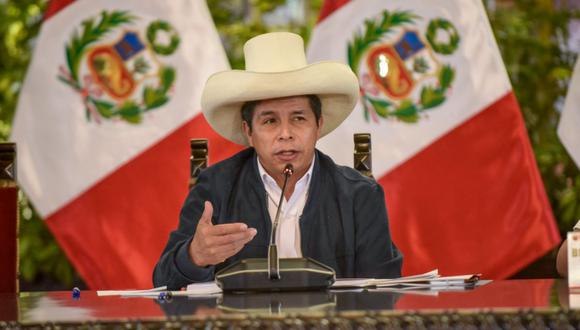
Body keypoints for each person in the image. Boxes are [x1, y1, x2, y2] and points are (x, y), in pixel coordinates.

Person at [153, 32, 403, 289]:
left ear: (318, 125)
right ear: (248, 131)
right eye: (270, 121)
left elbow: (385, 290)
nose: (286, 134)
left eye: (298, 118)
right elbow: (162, 282)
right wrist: (194, 256)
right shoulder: (214, 187)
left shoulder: (360, 194)